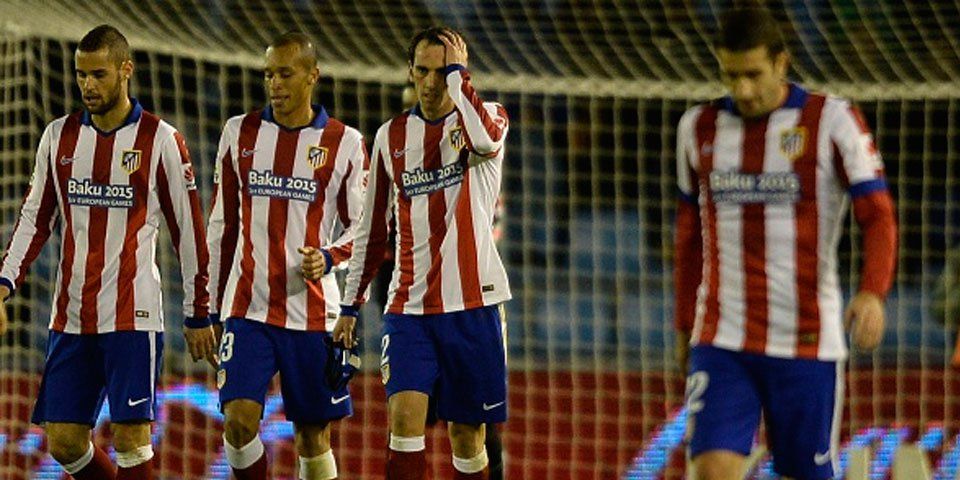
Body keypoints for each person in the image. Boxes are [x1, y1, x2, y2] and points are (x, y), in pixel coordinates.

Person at [673, 7, 897, 480]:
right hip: (722, 336)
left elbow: (877, 215)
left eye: (754, 74)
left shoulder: (832, 120)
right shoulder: (697, 128)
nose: (744, 90)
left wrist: (873, 291)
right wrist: (682, 326)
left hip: (807, 342)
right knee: (711, 469)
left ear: (782, 62)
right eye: (731, 76)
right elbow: (689, 236)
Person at [0, 24, 215, 480]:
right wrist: (2, 284)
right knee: (63, 440)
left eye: (98, 74)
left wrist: (199, 312)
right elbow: (34, 220)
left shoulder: (161, 140)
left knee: (132, 440)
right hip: (72, 316)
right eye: (81, 75)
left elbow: (189, 232)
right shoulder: (58, 138)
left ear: (125, 71)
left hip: (132, 317)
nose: (88, 85)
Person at [331, 26, 511, 480]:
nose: (431, 83)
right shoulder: (391, 136)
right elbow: (371, 230)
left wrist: (459, 79)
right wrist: (350, 305)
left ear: (460, 73)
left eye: (443, 72)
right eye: (423, 71)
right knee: (404, 426)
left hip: (473, 305)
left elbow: (486, 143)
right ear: (410, 72)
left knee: (468, 439)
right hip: (408, 308)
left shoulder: (487, 117)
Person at [206, 31, 366, 480]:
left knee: (313, 437)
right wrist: (209, 307)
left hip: (313, 312)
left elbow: (366, 230)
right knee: (237, 422)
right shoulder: (240, 133)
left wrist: (330, 257)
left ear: (312, 76)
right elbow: (221, 224)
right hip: (249, 306)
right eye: (269, 74)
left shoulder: (345, 142)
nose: (274, 83)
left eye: (285, 73)